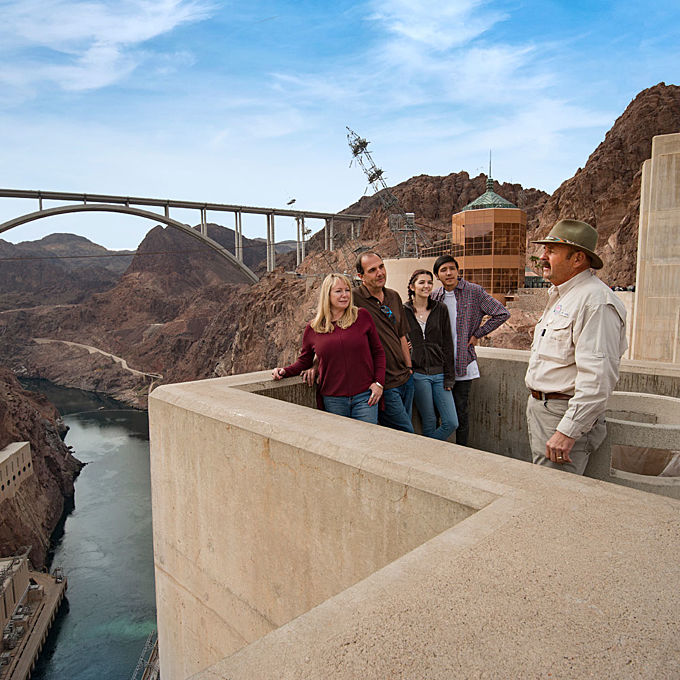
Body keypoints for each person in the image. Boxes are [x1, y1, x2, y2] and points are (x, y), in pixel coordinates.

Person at [525, 219, 627, 474]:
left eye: (552, 251)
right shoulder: (563, 296)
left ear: (578, 259)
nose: (543, 257)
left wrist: (567, 431)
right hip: (545, 412)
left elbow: (598, 377)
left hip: (563, 416)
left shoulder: (596, 303)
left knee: (555, 499)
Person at [272, 273, 385, 424]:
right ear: (327, 295)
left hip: (365, 397)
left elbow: (378, 352)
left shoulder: (361, 316)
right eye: (338, 291)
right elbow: (304, 361)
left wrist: (378, 383)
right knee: (339, 445)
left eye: (347, 290)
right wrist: (285, 371)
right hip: (333, 400)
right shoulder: (313, 328)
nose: (345, 295)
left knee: (365, 443)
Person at [431, 255, 510, 446]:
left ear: (458, 271)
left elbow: (501, 313)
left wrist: (478, 334)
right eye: (443, 270)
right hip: (439, 366)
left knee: (461, 411)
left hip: (463, 363)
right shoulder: (434, 296)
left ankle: (462, 451)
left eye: (452, 268)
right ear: (437, 275)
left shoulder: (474, 292)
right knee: (436, 412)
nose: (448, 273)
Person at [354, 251, 415, 433]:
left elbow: (401, 335)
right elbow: (329, 329)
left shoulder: (394, 296)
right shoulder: (354, 299)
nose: (380, 273)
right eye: (372, 270)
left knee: (396, 436)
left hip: (405, 379)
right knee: (407, 434)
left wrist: (409, 368)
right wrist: (315, 362)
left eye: (381, 266)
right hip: (384, 384)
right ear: (361, 276)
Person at [404, 269, 458, 441]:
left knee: (451, 422)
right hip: (418, 375)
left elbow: (448, 344)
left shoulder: (440, 309)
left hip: (440, 373)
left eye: (429, 282)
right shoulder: (404, 311)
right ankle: (430, 459)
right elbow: (395, 336)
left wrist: (450, 377)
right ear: (412, 286)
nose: (426, 286)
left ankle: (426, 450)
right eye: (421, 282)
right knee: (429, 421)